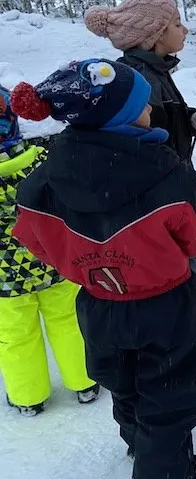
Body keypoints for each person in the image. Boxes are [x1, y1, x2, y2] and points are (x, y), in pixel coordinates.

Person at [10, 59, 196, 478]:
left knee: (124, 385)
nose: (150, 111)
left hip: (98, 306)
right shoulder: (167, 175)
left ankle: (142, 448)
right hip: (166, 307)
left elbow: (34, 240)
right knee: (168, 395)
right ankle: (164, 468)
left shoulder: (44, 179)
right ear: (118, 117)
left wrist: (85, 264)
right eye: (142, 106)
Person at [84, 0, 196, 343]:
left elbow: (162, 119)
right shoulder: (139, 78)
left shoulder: (152, 71)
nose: (185, 30)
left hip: (168, 176)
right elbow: (141, 137)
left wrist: (188, 120)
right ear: (153, 35)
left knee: (184, 246)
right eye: (177, 24)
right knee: (177, 251)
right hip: (158, 185)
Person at [0, 86, 99, 416]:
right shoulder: (43, 156)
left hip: (4, 282)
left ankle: (28, 398)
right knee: (69, 321)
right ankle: (84, 382)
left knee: (15, 336)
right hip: (52, 261)